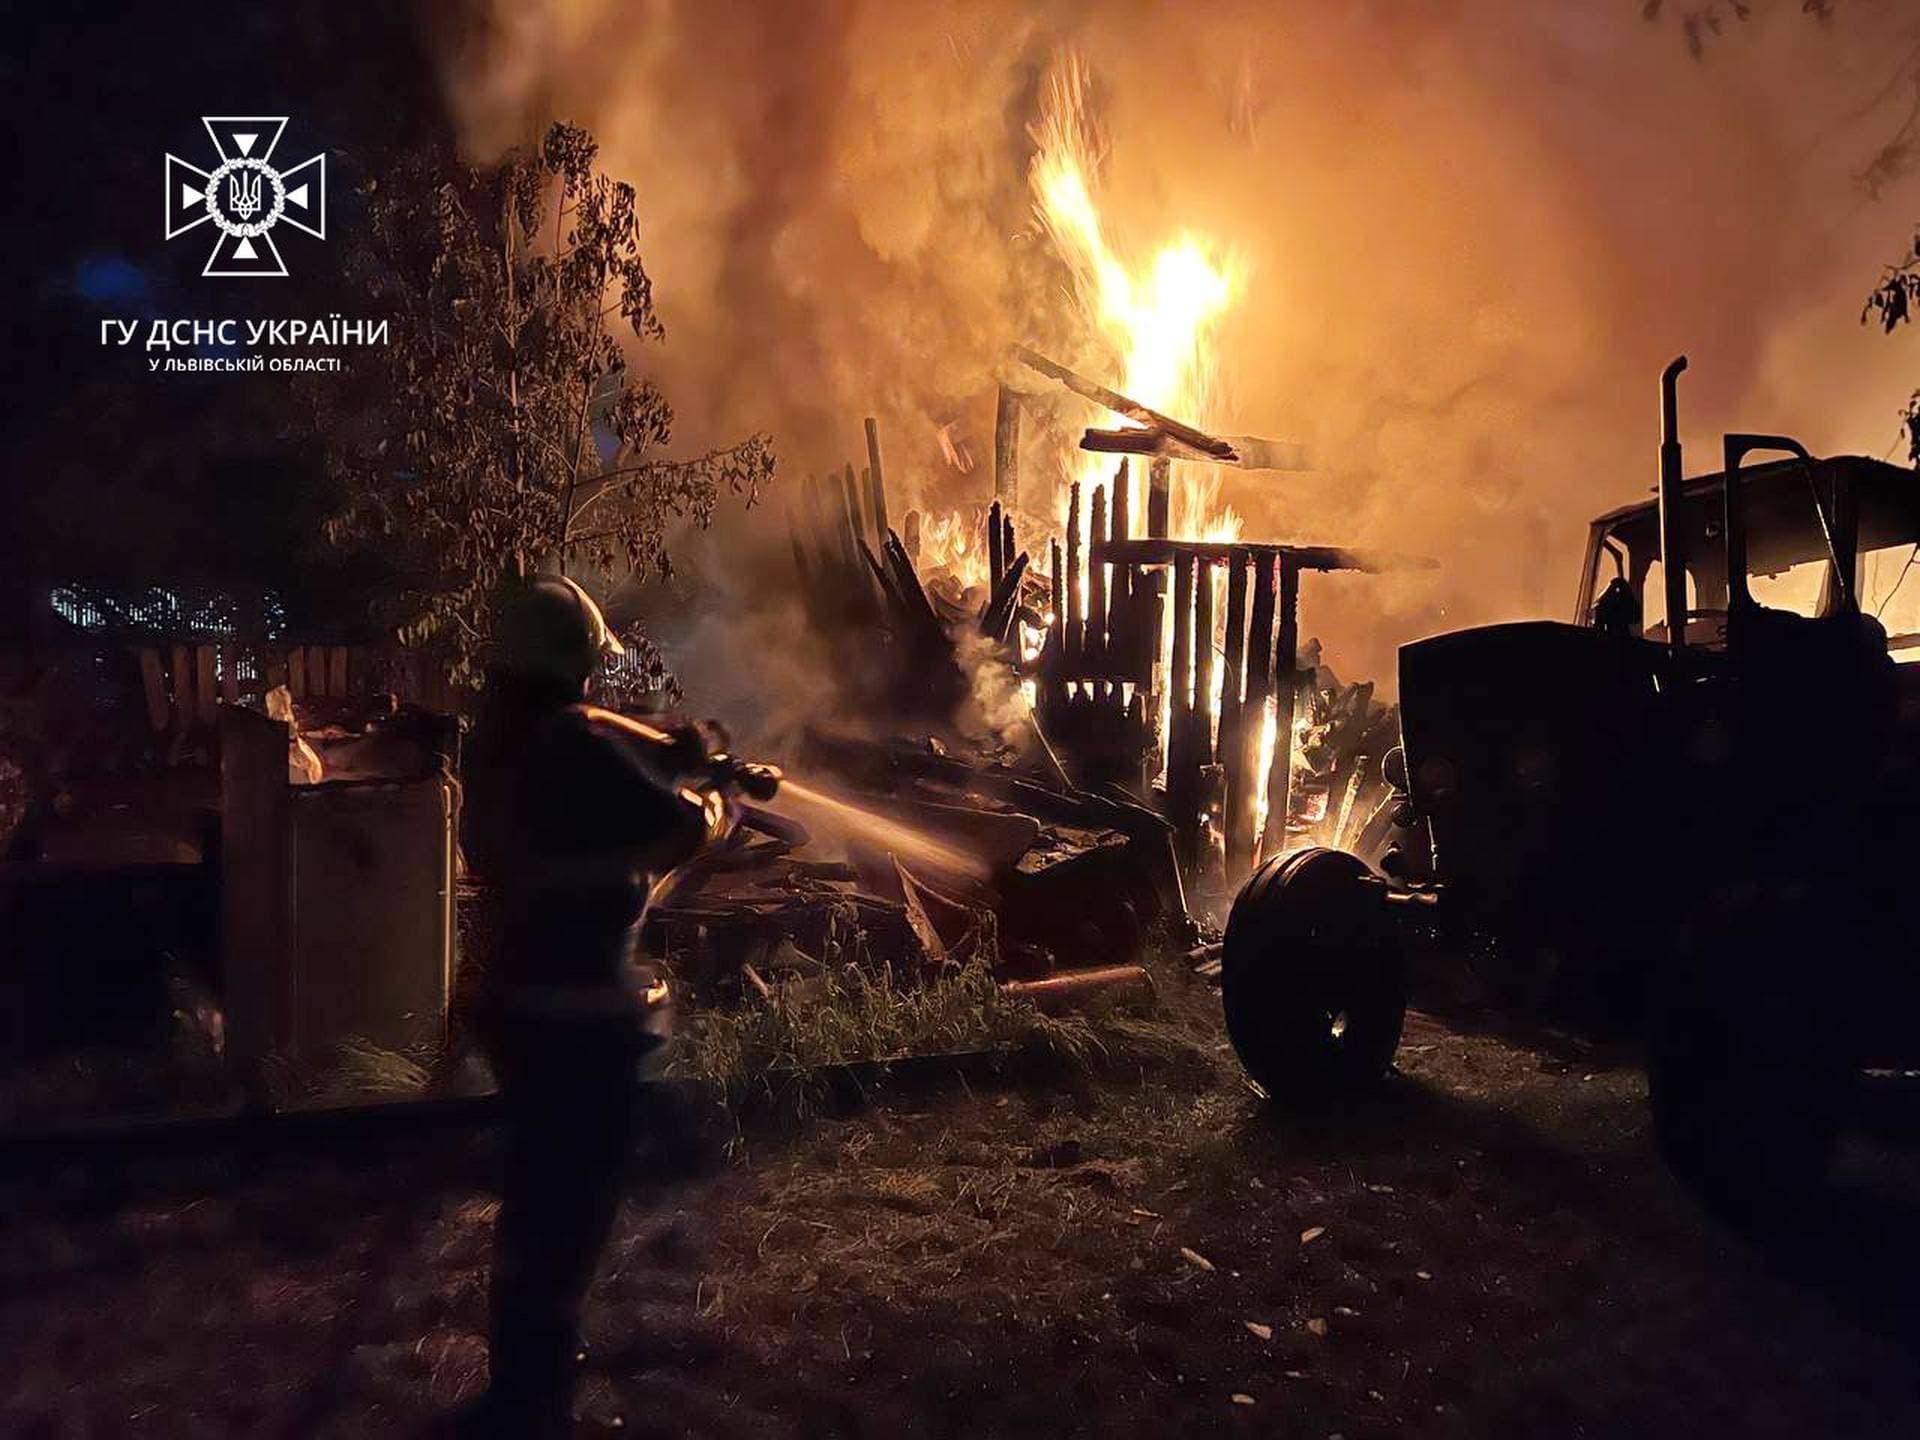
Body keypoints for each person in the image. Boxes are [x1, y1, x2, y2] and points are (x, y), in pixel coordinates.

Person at [454, 574, 722, 1438]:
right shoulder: (574, 743)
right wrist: (714, 795)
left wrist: (667, 746)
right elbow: (680, 826)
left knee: (538, 1201)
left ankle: (522, 1382)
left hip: (519, 1001)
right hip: (580, 1011)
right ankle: (535, 1402)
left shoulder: (502, 742)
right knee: (571, 1210)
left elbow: (598, 747)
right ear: (574, 666)